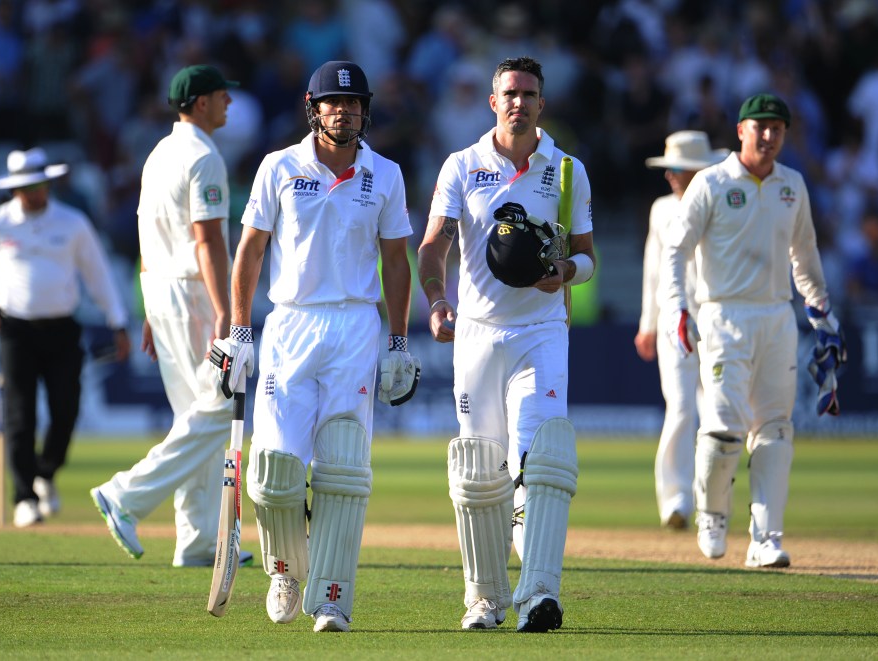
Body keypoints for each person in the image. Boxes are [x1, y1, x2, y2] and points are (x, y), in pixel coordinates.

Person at [210, 60, 417, 633]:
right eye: (333, 103)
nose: (343, 111)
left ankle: (331, 596)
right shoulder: (279, 166)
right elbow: (249, 251)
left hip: (354, 327)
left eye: (353, 104)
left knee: (342, 469)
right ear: (313, 107)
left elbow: (396, 262)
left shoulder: (386, 174)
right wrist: (239, 331)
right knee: (276, 470)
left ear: (364, 110)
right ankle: (285, 568)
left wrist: (398, 343)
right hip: (290, 325)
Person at [418, 56, 595, 633]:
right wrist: (438, 301)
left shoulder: (566, 170)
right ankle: (484, 601)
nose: (519, 101)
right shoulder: (463, 165)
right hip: (476, 335)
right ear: (493, 102)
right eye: (509, 93)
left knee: (540, 459)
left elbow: (590, 256)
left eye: (529, 93)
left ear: (542, 103)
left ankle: (541, 593)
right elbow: (432, 248)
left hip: (542, 332)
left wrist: (566, 271)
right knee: (480, 475)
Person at [662, 93, 846, 569]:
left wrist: (822, 311)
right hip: (723, 316)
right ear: (741, 130)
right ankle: (712, 516)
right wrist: (679, 306)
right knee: (723, 429)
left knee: (775, 430)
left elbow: (804, 257)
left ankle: (766, 538)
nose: (768, 136)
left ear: (785, 135)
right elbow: (676, 249)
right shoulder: (712, 183)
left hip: (777, 317)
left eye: (777, 129)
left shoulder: (793, 185)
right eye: (759, 127)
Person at [90, 65, 252, 569]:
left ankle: (198, 540)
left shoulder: (159, 153)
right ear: (200, 102)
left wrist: (147, 308)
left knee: (196, 415)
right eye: (222, 96)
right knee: (221, 408)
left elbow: (146, 234)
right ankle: (126, 495)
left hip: (160, 289)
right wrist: (226, 308)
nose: (229, 102)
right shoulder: (203, 156)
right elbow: (207, 240)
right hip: (191, 292)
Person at [0, 147, 130, 528]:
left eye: (40, 185)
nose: (35, 193)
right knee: (19, 413)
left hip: (62, 327)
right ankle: (25, 497)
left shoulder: (72, 222)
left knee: (67, 408)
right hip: (15, 329)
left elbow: (98, 274)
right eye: (28, 187)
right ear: (15, 189)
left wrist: (118, 322)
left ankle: (45, 473)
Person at [635, 131, 728, 531]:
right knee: (681, 408)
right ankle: (676, 500)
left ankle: (712, 501)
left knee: (717, 411)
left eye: (679, 169)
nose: (671, 176)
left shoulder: (721, 199)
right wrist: (648, 324)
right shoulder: (661, 210)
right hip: (676, 318)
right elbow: (654, 269)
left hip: (718, 317)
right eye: (669, 169)